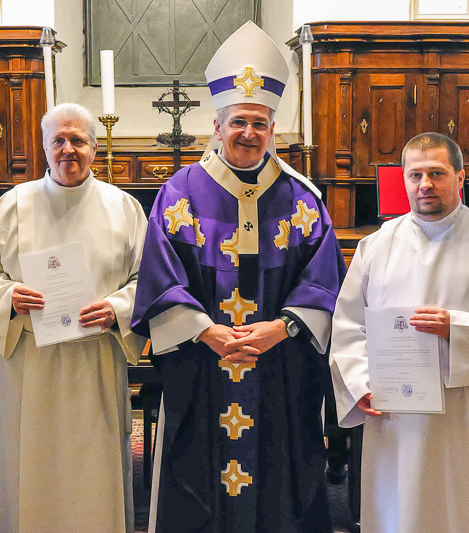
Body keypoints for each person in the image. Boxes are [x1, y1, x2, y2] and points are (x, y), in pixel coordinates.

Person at [132, 21, 346, 532]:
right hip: (204, 366)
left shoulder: (302, 198)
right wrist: (207, 332)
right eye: (238, 122)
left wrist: (281, 328)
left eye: (259, 123)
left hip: (281, 367)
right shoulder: (180, 192)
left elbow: (324, 280)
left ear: (273, 129)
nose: (248, 133)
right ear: (217, 125)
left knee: (281, 473)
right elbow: (160, 277)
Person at [329, 132, 469, 532]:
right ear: (403, 180)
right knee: (397, 509)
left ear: (460, 178)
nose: (424, 184)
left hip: (463, 407)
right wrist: (358, 382)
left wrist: (458, 329)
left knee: (460, 507)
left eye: (436, 173)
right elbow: (348, 324)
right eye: (415, 175)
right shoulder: (375, 247)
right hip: (395, 410)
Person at [0, 102, 147, 533]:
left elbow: (148, 280)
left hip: (95, 356)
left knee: (92, 466)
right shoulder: (13, 205)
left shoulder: (123, 207)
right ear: (44, 147)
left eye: (77, 140)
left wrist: (117, 308)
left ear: (94, 148)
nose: (68, 149)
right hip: (28, 360)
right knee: (26, 463)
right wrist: (8, 296)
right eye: (58, 140)